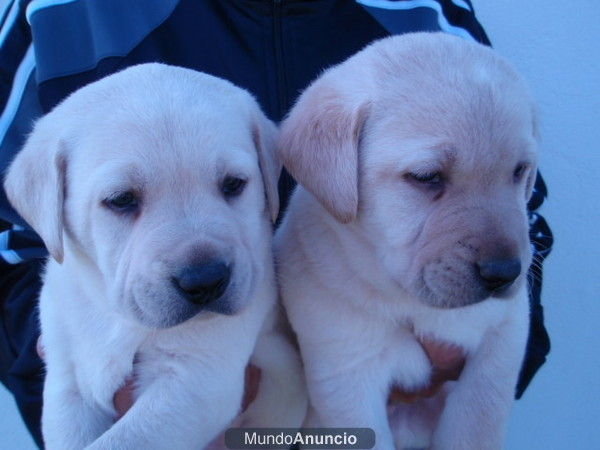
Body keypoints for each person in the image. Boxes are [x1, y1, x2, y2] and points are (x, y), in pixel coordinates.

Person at [0, 0, 552, 447]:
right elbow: (10, 253)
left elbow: (517, 216)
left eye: (233, 185)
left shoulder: (426, 19)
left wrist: (476, 349)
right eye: (123, 199)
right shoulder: (58, 14)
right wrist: (69, 358)